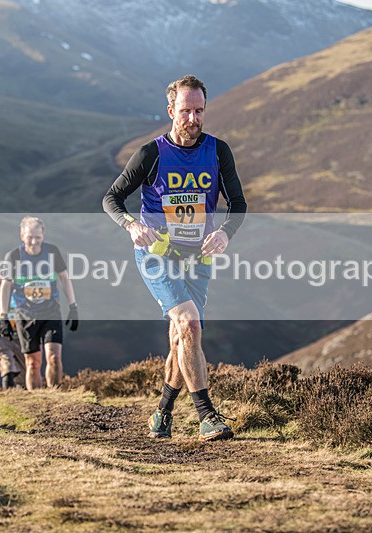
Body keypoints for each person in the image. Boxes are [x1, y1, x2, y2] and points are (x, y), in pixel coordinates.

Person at [102, 74, 247, 441]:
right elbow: (111, 199)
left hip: (198, 257)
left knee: (181, 338)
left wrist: (224, 233)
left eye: (200, 111)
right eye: (186, 111)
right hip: (156, 255)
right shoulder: (151, 153)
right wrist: (132, 226)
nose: (194, 119)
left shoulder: (218, 151)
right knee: (191, 325)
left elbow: (239, 204)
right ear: (171, 111)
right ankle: (207, 415)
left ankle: (162, 413)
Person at [0, 216, 79, 390]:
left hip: (51, 311)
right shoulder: (14, 256)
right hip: (25, 314)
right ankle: (37, 399)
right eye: (29, 237)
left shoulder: (52, 252)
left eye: (38, 237)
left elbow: (64, 278)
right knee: (33, 362)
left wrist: (73, 307)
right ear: (22, 236)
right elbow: (5, 286)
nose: (34, 241)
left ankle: (54, 395)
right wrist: (3, 316)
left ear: (43, 235)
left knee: (54, 357)